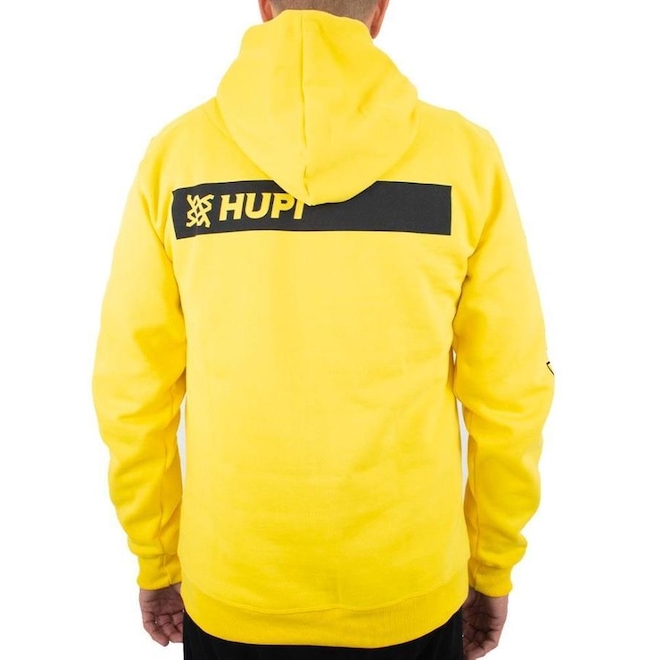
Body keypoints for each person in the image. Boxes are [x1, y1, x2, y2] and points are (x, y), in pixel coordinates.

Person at [92, 1, 554, 658]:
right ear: (380, 11)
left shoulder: (178, 159)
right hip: (410, 586)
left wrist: (157, 556)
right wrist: (491, 564)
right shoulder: (464, 160)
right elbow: (511, 390)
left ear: (265, 6)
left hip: (234, 584)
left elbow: (132, 388)